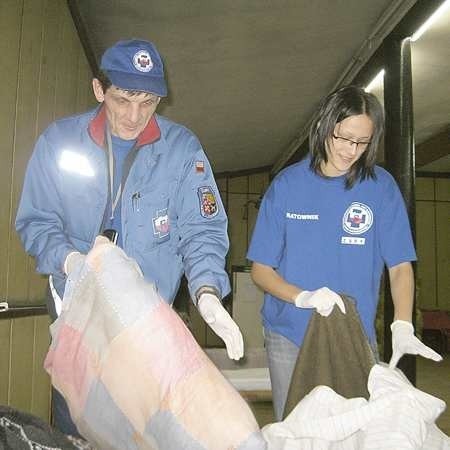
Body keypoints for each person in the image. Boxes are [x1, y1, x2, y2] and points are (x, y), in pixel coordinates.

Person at [15, 39, 243, 435]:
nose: (135, 115)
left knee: (146, 422)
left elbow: (201, 228)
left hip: (149, 315)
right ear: (99, 89)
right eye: (123, 99)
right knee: (81, 418)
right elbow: (36, 221)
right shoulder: (59, 141)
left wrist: (207, 291)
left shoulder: (182, 149)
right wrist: (71, 262)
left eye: (149, 102)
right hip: (77, 307)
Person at [246, 85, 442, 421]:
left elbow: (399, 266)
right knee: (295, 431)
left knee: (354, 430)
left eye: (362, 142)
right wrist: (303, 297)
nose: (351, 150)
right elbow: (261, 270)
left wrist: (403, 324)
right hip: (289, 334)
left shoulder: (380, 188)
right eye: (343, 138)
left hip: (354, 334)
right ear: (324, 126)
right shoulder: (287, 186)